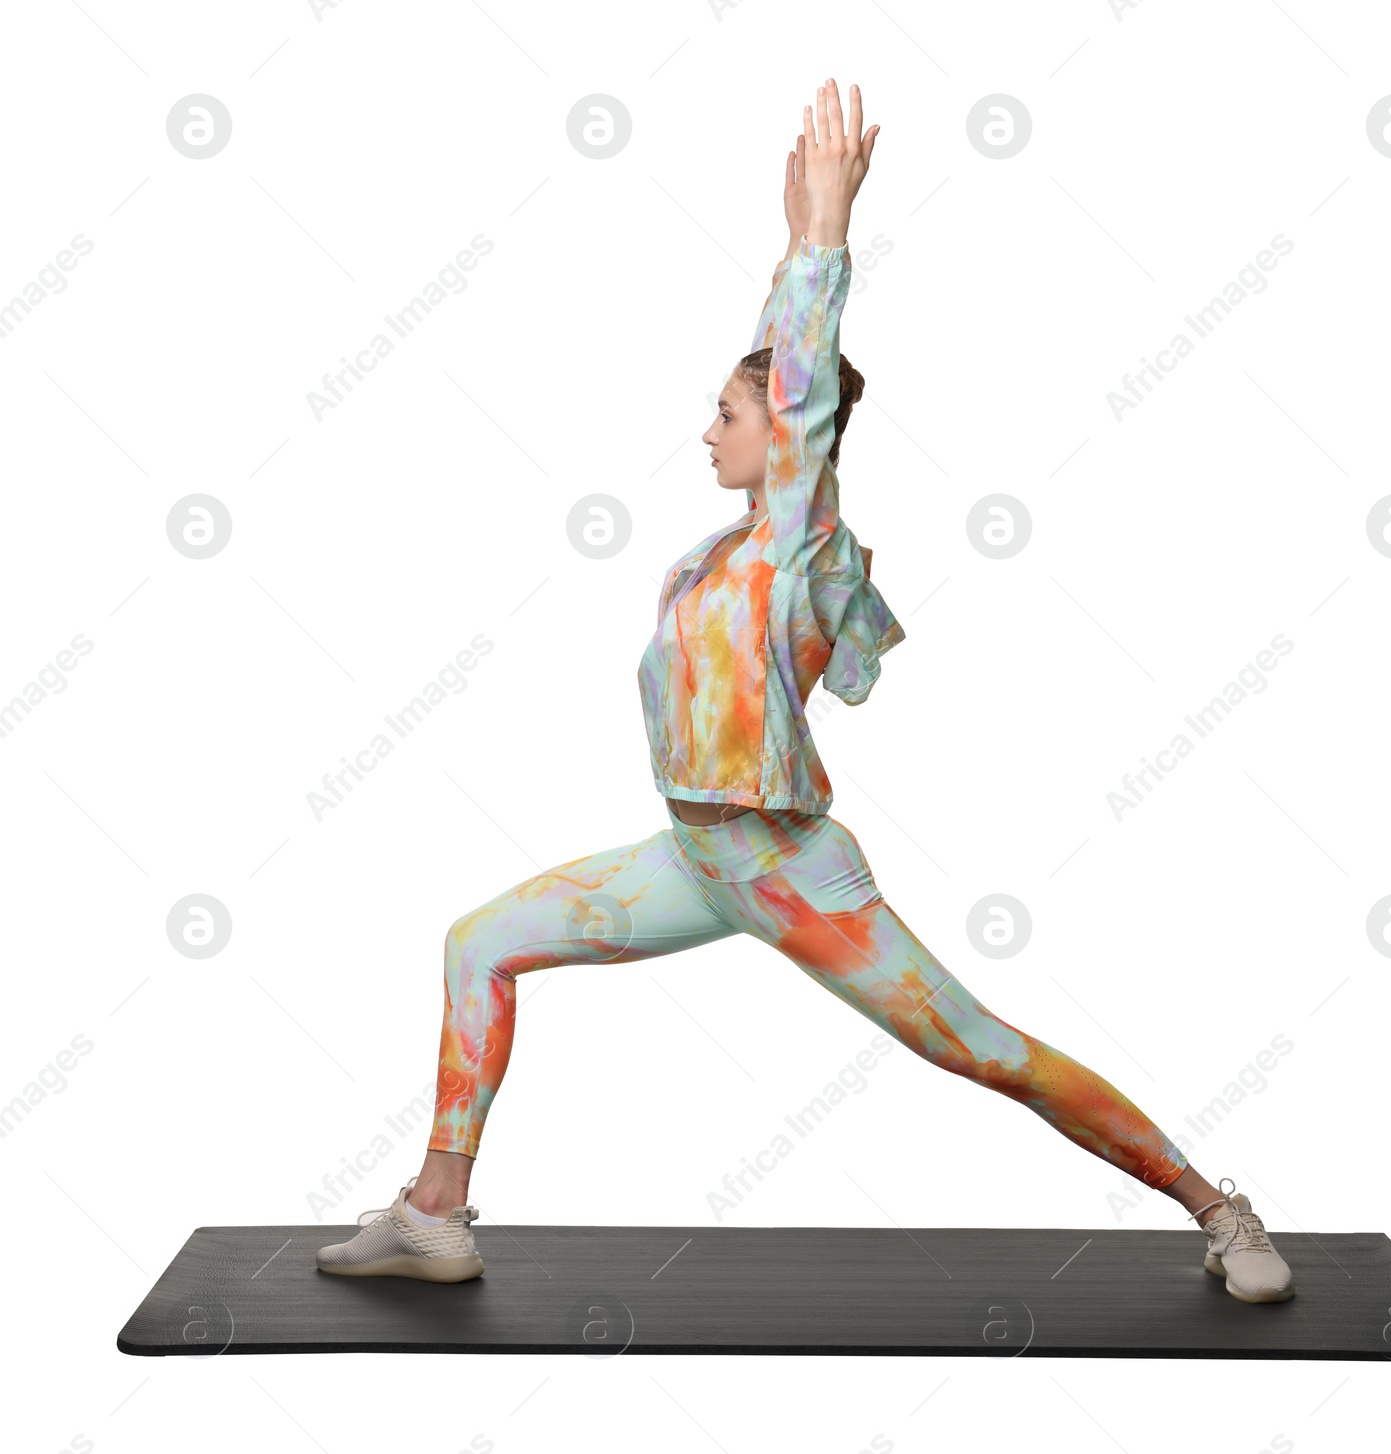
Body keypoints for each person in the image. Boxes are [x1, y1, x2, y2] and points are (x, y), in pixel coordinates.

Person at [317, 79, 1295, 1305]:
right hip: (690, 860)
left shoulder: (795, 539)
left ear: (786, 437)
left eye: (726, 411)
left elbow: (800, 394)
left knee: (982, 1051)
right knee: (478, 945)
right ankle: (436, 1210)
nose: (706, 431)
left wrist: (816, 237)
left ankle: (1219, 1207)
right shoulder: (710, 558)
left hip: (787, 867)